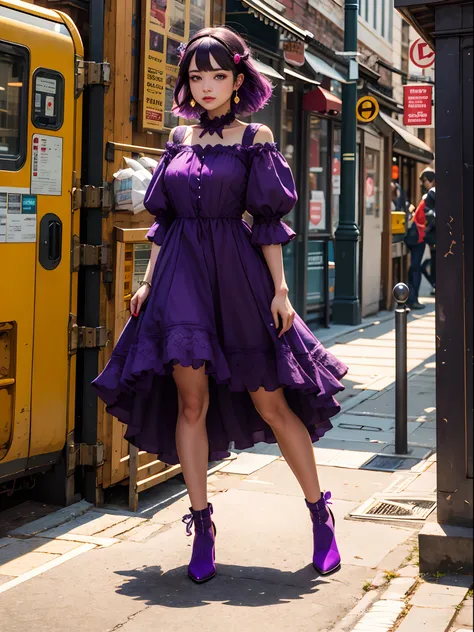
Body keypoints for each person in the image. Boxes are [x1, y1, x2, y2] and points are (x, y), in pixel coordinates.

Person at [92, 27, 347, 583]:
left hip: (238, 276)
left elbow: (270, 223)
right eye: (196, 76)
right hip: (180, 275)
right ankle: (202, 524)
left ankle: (319, 514)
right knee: (190, 404)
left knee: (271, 402)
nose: (206, 86)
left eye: (218, 76)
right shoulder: (178, 140)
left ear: (238, 80)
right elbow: (163, 223)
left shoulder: (255, 138)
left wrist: (280, 290)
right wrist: (146, 281)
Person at [419, 169, 436, 295]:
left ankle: (435, 283)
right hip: (438, 234)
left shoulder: (431, 194)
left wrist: (427, 229)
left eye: (424, 180)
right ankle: (435, 283)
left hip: (433, 236)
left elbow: (430, 215)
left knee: (428, 264)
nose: (422, 183)